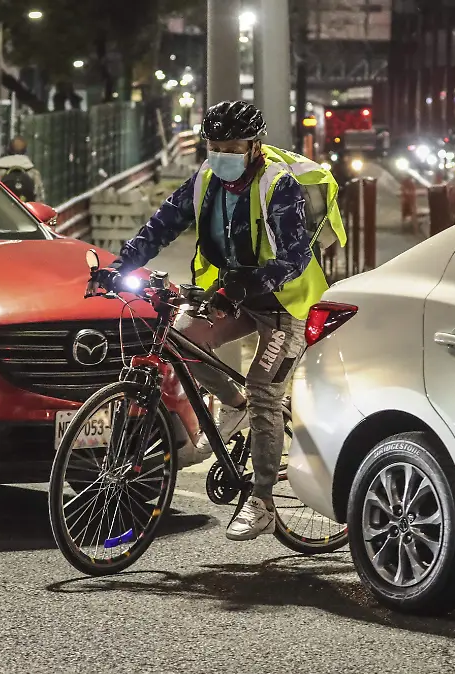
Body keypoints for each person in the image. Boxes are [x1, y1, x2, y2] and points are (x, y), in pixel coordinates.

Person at [94, 101, 342, 542]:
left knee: (265, 390)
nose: (221, 154)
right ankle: (233, 404)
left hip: (284, 305)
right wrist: (120, 265)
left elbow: (295, 254)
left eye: (231, 147)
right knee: (181, 337)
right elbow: (161, 225)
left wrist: (244, 286)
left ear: (253, 146)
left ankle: (262, 499)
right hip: (233, 296)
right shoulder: (205, 179)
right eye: (213, 146)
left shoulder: (276, 185)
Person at [0, 136, 45, 203]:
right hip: (24, 211)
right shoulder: (33, 172)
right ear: (25, 151)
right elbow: (39, 198)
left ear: (8, 149)